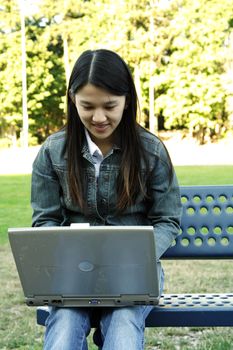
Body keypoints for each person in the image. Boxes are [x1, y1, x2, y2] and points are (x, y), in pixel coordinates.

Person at [31, 49, 182, 350]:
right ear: (73, 100)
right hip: (74, 275)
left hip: (134, 274)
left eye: (110, 106)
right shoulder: (52, 152)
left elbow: (168, 220)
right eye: (87, 106)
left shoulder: (151, 151)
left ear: (127, 101)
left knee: (124, 326)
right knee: (64, 327)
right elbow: (45, 221)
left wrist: (136, 255)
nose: (98, 118)